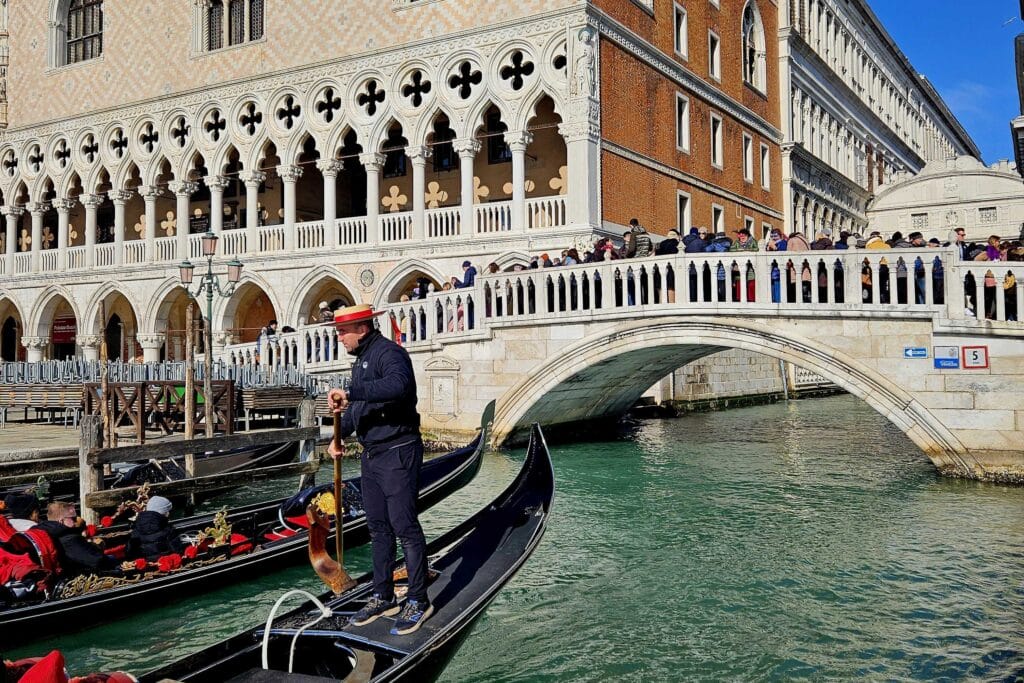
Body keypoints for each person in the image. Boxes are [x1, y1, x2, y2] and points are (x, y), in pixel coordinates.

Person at [326, 304, 431, 636]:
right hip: (373, 455)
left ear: (361, 329)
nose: (339, 339)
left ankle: (418, 599)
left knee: (405, 527)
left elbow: (398, 388)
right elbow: (359, 408)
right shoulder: (361, 362)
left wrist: (352, 391)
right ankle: (383, 594)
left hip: (399, 451)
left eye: (342, 333)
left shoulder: (390, 354)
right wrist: (338, 437)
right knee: (378, 528)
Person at [38, 502, 117, 575]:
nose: (76, 522)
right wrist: (98, 547)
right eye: (73, 519)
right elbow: (97, 560)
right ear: (61, 521)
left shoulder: (48, 532)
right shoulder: (68, 538)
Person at [129, 496, 184, 560]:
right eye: (168, 511)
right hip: (164, 566)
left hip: (146, 566)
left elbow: (130, 552)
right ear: (166, 513)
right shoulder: (168, 530)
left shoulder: (136, 529)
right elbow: (178, 552)